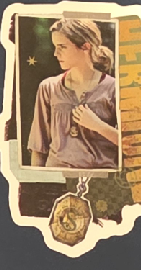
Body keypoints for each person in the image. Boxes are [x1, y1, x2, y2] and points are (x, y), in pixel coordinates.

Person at [27, 18, 120, 170]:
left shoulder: (114, 88)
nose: (56, 53)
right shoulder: (48, 87)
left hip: (101, 178)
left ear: (85, 47)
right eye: (55, 47)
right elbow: (38, 147)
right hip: (57, 176)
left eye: (62, 47)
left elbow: (131, 145)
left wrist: (98, 126)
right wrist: (37, 182)